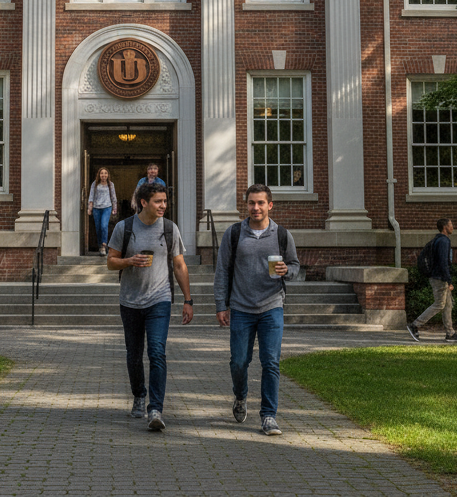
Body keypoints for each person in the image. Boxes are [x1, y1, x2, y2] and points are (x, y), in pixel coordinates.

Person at [213, 184, 300, 437]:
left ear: (270, 205)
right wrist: (221, 305)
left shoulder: (282, 235)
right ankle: (240, 396)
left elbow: (294, 266)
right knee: (239, 362)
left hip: (272, 306)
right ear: (246, 205)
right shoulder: (234, 233)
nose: (256, 207)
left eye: (261, 203)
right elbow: (222, 272)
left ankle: (269, 416)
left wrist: (288, 271)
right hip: (241, 307)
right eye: (252, 203)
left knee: (270, 362)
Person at [107, 180, 193, 432]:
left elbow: (179, 265)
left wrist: (188, 300)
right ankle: (139, 394)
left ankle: (155, 408)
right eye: (158, 201)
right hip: (130, 301)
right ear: (144, 202)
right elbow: (111, 262)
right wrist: (129, 261)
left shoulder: (169, 228)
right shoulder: (124, 227)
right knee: (134, 355)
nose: (163, 206)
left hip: (160, 299)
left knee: (156, 352)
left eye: (165, 201)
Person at [407, 217, 457, 342]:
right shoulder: (443, 241)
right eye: (451, 225)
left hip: (438, 276)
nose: (452, 227)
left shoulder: (437, 240)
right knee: (439, 304)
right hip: (439, 278)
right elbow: (443, 263)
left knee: (448, 305)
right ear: (445, 227)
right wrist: (449, 281)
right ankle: (415, 325)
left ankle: (450, 333)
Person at [87, 166, 118, 256]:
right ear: (99, 175)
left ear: (108, 175)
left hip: (107, 207)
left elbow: (113, 196)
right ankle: (101, 246)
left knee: (104, 226)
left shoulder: (110, 184)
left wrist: (114, 208)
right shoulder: (95, 184)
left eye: (105, 173)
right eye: (102, 173)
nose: (103, 175)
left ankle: (104, 244)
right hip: (96, 208)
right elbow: (91, 196)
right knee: (98, 228)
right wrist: (90, 208)